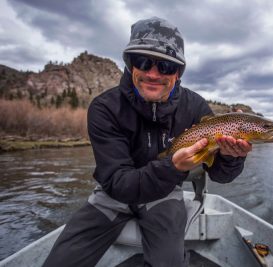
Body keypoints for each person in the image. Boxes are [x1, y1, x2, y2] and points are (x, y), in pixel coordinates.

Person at [43, 17, 252, 267]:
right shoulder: (104, 108)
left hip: (164, 194)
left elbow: (221, 175)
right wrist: (172, 167)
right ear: (130, 65)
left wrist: (231, 156)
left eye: (165, 66)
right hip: (112, 196)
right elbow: (118, 182)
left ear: (178, 72)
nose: (153, 74)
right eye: (142, 62)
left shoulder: (195, 107)